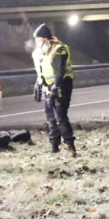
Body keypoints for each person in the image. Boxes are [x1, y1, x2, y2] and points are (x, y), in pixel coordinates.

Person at [32, 23, 76, 154]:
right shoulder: (38, 52)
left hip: (62, 85)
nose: (36, 41)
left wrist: (56, 86)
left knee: (61, 117)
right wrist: (38, 83)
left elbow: (60, 69)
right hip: (47, 86)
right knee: (50, 118)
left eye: (37, 38)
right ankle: (54, 146)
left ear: (44, 38)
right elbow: (40, 71)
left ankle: (70, 146)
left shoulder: (60, 49)